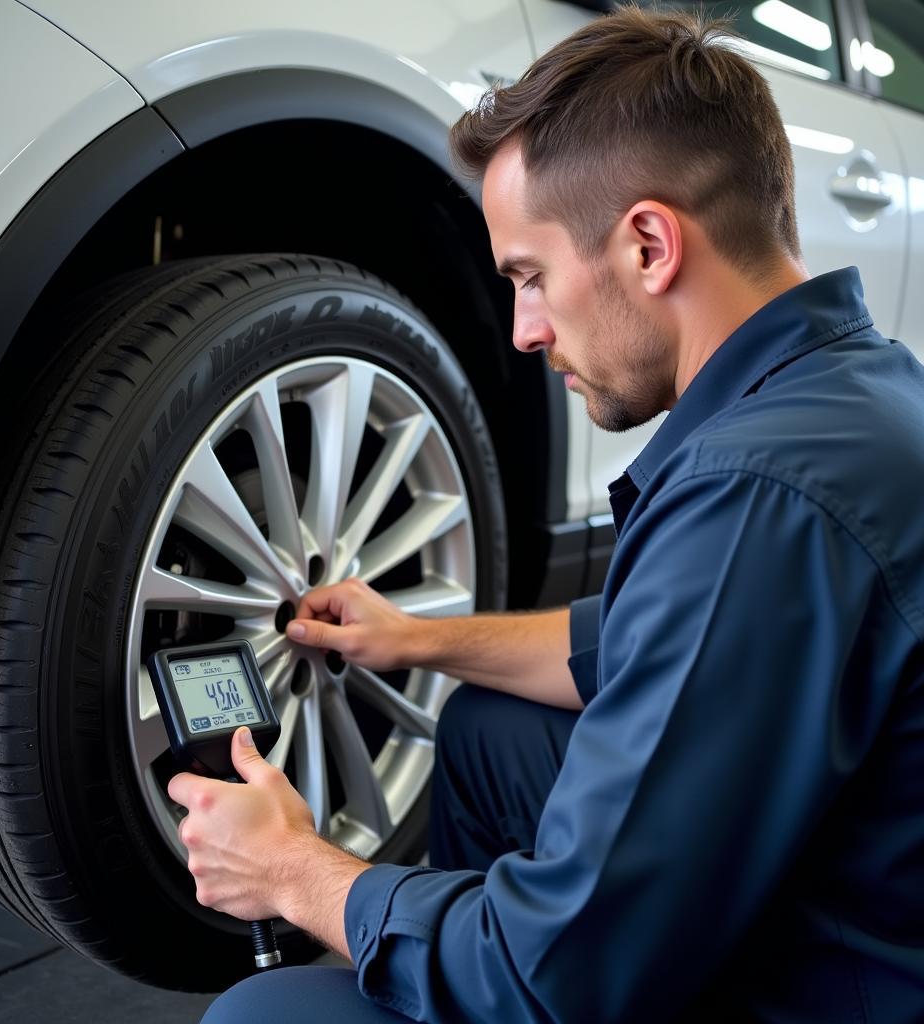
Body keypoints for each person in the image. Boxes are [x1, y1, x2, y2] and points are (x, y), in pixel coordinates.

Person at [169, 7, 924, 1022]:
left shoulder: (756, 492)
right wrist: (417, 639)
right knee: (486, 723)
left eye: (529, 277)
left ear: (649, 244)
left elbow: (549, 967)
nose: (523, 331)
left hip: (838, 982)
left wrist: (292, 871)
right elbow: (634, 645)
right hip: (860, 882)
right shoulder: (855, 392)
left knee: (255, 1019)